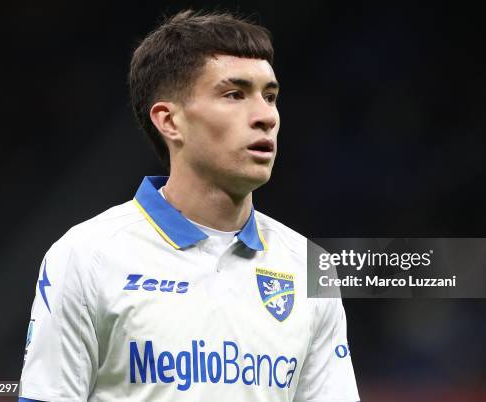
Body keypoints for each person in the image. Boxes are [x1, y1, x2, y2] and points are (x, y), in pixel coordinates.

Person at [18, 9, 360, 402]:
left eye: (270, 96)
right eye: (234, 94)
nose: (266, 116)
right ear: (170, 121)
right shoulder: (88, 255)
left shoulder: (307, 265)